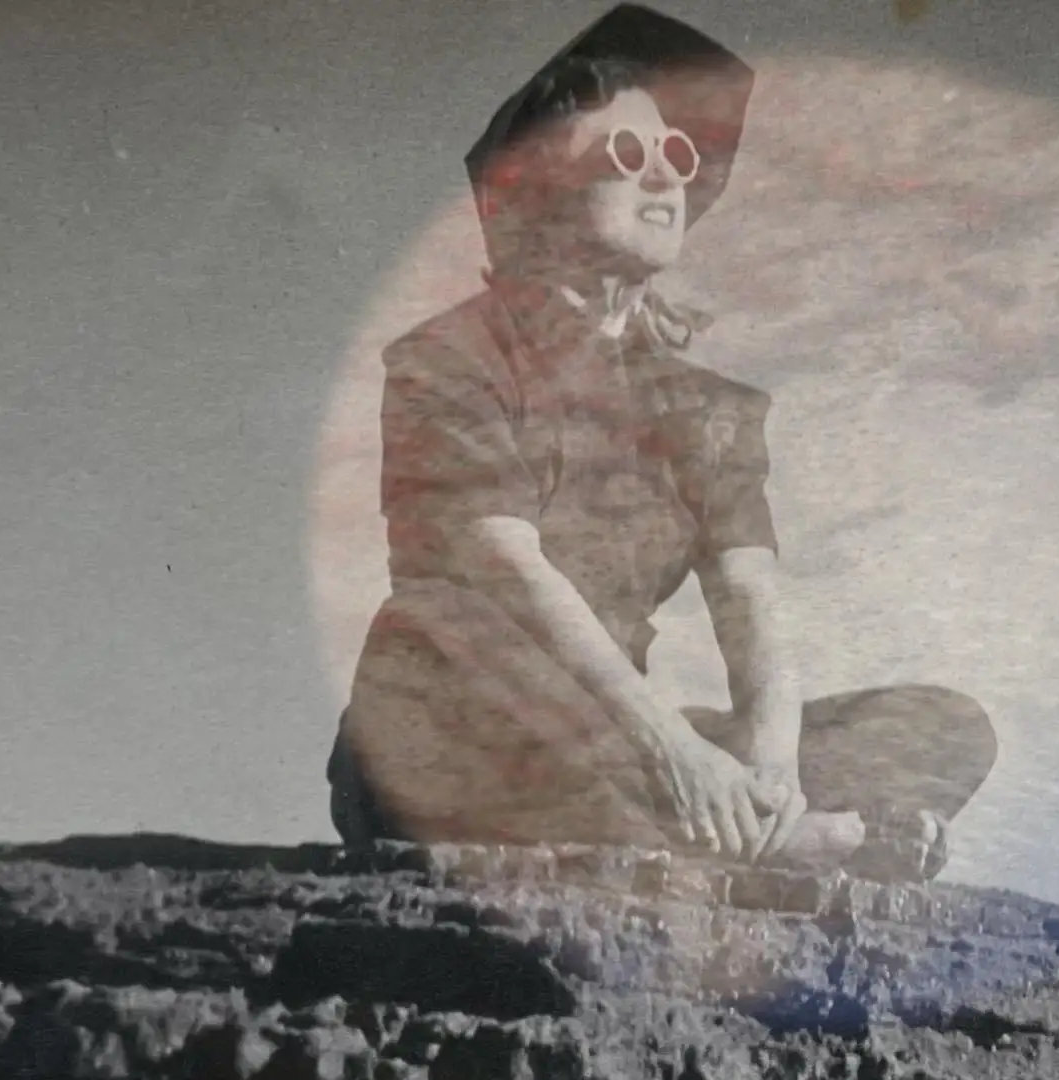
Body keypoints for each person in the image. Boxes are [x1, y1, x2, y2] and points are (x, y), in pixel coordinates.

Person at [325, 4, 996, 881]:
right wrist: (672, 755)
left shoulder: (702, 408)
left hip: (622, 746)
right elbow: (505, 568)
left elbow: (748, 597)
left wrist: (771, 771)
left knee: (946, 728)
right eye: (625, 152)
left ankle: (734, 829)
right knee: (444, 627)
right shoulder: (446, 362)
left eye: (677, 155)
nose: (664, 175)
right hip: (474, 724)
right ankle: (780, 847)